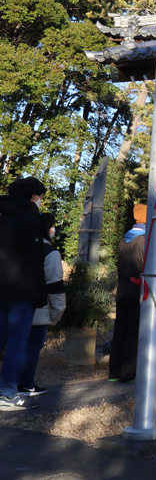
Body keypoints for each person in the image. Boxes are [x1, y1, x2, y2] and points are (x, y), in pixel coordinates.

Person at [0, 176, 47, 411]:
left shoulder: (3, 217)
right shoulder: (30, 221)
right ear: (33, 197)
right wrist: (40, 294)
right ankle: (7, 393)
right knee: (17, 344)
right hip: (21, 292)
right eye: (40, 197)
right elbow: (34, 262)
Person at [18, 213, 66, 396]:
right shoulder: (50, 253)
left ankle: (12, 383)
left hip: (15, 306)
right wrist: (58, 312)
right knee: (31, 349)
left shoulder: (18, 248)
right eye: (52, 226)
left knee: (15, 347)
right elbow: (55, 285)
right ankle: (26, 383)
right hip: (39, 309)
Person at [108, 203, 146, 383]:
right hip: (137, 286)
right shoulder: (145, 239)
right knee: (133, 330)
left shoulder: (124, 239)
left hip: (122, 286)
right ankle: (128, 372)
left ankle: (113, 372)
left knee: (120, 329)